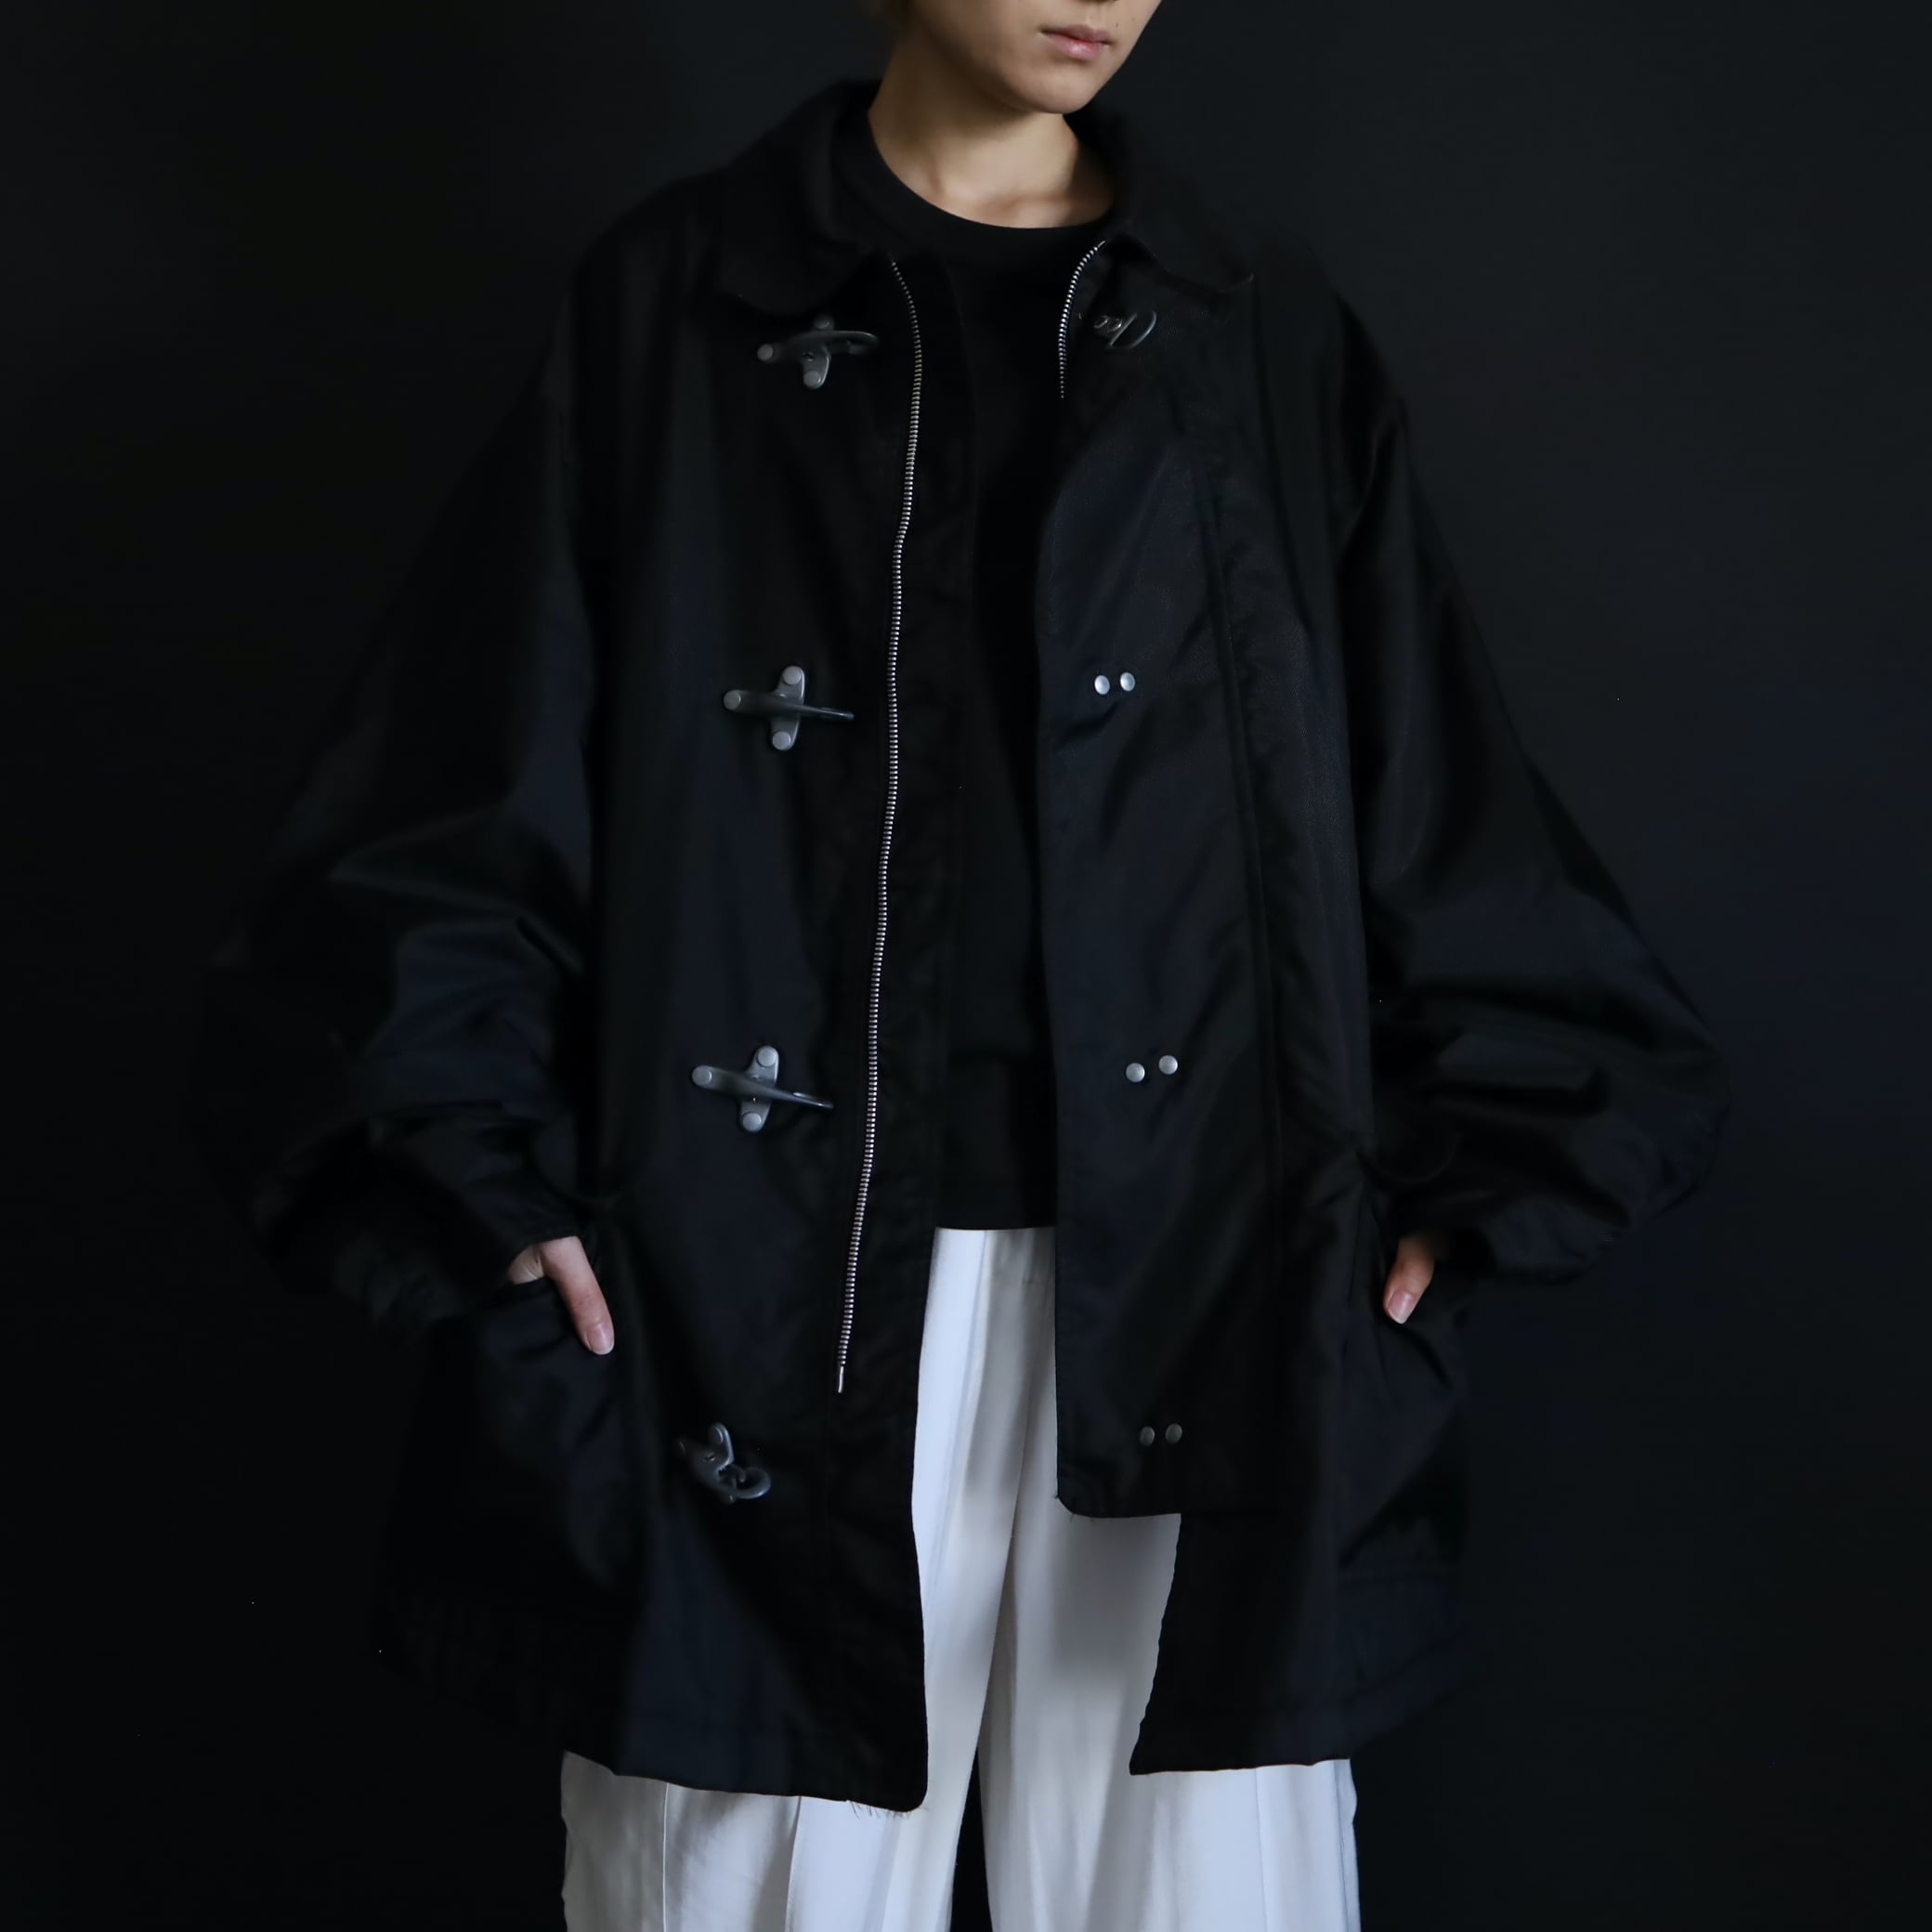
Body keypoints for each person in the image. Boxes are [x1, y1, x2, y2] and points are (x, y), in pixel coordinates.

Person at [185, 3, 1730, 1928]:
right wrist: (469, 1178)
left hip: (1204, 1275)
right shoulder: (681, 296)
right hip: (749, 1286)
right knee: (738, 1891)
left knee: (1213, 1897)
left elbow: (1422, 776)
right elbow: (473, 762)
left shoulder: (1252, 319)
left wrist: (1478, 1162)